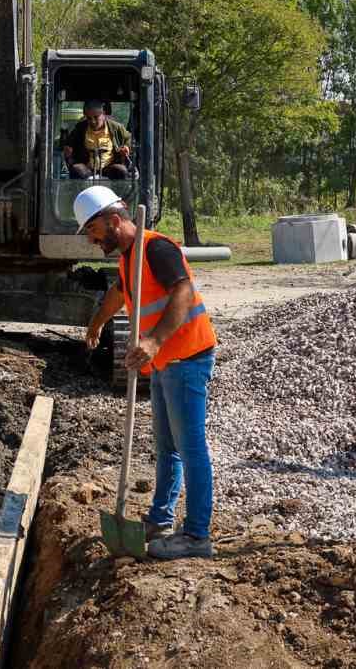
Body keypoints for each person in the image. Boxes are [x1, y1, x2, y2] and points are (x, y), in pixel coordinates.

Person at [75, 185, 217, 560]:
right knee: (167, 448)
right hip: (165, 362)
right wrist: (96, 324)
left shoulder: (157, 248)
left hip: (186, 357)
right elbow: (119, 294)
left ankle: (198, 536)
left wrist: (153, 341)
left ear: (113, 220)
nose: (92, 240)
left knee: (191, 449)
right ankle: (160, 519)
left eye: (93, 230)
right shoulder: (128, 257)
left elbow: (183, 293)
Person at [61, 100, 132, 179]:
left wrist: (127, 147)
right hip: (87, 167)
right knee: (76, 170)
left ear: (104, 114)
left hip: (109, 166)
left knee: (121, 171)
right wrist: (68, 149)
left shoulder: (116, 127)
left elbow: (129, 138)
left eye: (96, 117)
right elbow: (69, 143)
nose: (93, 121)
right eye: (89, 118)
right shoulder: (80, 128)